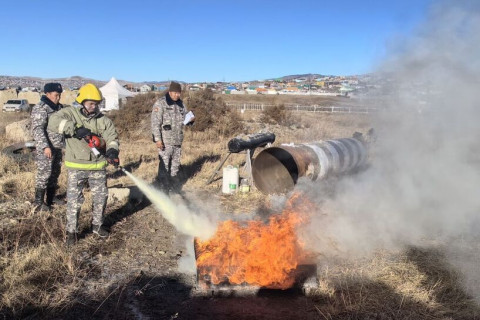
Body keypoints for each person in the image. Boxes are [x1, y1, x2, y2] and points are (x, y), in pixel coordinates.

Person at [48, 83, 120, 246]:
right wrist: (74, 129)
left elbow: (112, 138)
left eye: (96, 104)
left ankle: (97, 225)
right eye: (90, 104)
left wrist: (113, 151)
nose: (94, 107)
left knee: (101, 197)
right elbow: (53, 122)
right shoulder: (70, 113)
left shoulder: (104, 120)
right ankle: (71, 232)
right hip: (76, 166)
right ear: (82, 102)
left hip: (97, 166)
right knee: (74, 201)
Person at [151, 81, 194, 193]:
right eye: (174, 93)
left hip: (178, 141)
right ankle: (162, 192)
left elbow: (185, 121)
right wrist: (158, 139)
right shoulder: (161, 103)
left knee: (175, 168)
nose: (176, 95)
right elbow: (155, 123)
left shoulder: (181, 105)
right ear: (169, 92)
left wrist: (190, 120)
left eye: (178, 93)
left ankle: (172, 189)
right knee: (164, 167)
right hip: (165, 142)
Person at [31, 82, 64, 211]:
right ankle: (39, 202)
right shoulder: (41, 108)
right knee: (44, 174)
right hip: (46, 148)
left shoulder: (59, 108)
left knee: (55, 173)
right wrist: (45, 146)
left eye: (59, 95)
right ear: (47, 94)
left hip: (57, 146)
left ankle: (51, 198)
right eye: (56, 95)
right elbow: (38, 129)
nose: (58, 98)